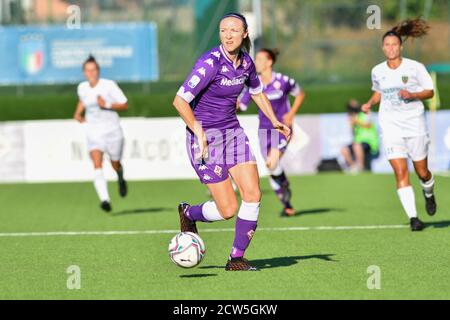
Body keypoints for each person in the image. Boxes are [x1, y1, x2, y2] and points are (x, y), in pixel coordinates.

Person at [172, 13, 290, 271]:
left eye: (234, 30)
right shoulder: (209, 63)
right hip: (205, 138)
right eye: (224, 30)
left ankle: (236, 257)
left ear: (245, 34)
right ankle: (189, 213)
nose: (228, 35)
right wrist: (198, 130)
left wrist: (276, 121)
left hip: (232, 133)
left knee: (253, 193)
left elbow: (258, 94)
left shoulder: (247, 63)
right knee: (227, 209)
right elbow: (180, 101)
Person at [361, 19, 437, 231]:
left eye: (394, 44)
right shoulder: (377, 70)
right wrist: (369, 103)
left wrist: (412, 94)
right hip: (390, 126)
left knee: (422, 172)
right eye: (387, 45)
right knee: (400, 172)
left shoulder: (415, 67)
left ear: (401, 46)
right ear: (382, 47)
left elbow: (429, 91)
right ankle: (414, 218)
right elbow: (378, 91)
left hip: (414, 125)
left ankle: (429, 193)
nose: (391, 48)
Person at [238, 48, 305, 216]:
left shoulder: (283, 80)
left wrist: (291, 114)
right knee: (271, 167)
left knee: (273, 162)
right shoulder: (254, 84)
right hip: (264, 131)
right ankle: (287, 203)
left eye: (260, 59)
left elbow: (300, 94)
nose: (256, 62)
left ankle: (283, 186)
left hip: (281, 129)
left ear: (269, 62)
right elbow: (242, 106)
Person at [73, 55, 129, 212]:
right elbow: (83, 100)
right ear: (84, 72)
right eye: (88, 70)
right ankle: (105, 200)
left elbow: (125, 104)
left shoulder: (109, 85)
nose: (91, 73)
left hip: (112, 130)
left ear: (98, 71)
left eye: (94, 69)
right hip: (94, 130)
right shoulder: (82, 87)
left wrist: (107, 104)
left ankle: (120, 174)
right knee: (96, 164)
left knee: (114, 163)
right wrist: (77, 113)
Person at [340, 99, 379, 173]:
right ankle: (353, 167)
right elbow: (353, 134)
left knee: (357, 145)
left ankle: (360, 167)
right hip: (358, 142)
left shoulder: (366, 113)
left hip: (370, 142)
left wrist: (356, 121)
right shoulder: (353, 117)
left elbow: (368, 125)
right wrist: (352, 124)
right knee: (344, 150)